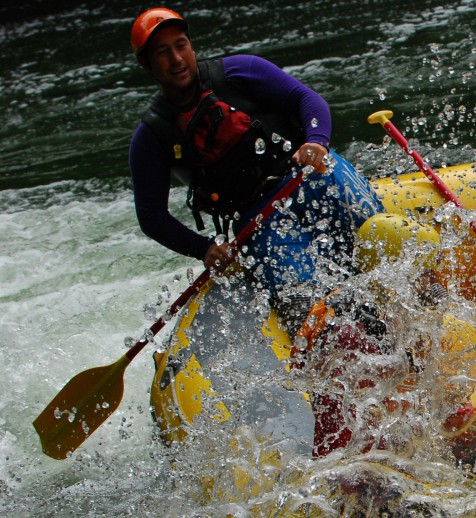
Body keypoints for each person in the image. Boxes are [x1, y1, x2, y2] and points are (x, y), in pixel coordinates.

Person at [129, 8, 390, 455]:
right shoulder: (152, 137)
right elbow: (150, 216)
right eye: (162, 54)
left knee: (370, 228)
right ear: (148, 67)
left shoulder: (239, 72)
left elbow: (308, 102)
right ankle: (349, 363)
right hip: (257, 222)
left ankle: (401, 296)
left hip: (305, 175)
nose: (176, 59)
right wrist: (206, 248)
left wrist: (316, 141)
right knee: (306, 301)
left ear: (191, 46)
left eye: (181, 46)